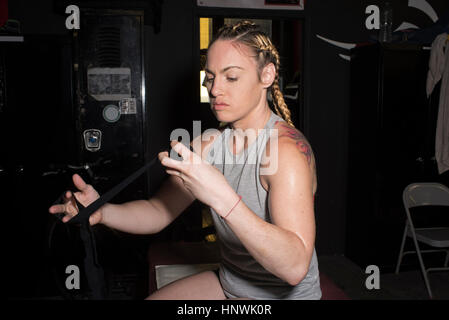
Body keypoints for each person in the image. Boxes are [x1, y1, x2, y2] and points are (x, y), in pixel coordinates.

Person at [49, 20, 321, 300]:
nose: (215, 90)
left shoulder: (286, 152)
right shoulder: (209, 145)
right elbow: (158, 211)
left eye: (231, 77)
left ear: (267, 75)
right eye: (211, 77)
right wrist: (102, 211)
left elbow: (294, 267)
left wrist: (222, 198)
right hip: (232, 284)